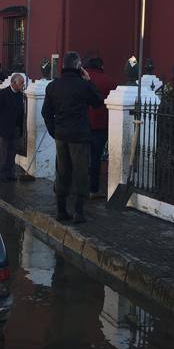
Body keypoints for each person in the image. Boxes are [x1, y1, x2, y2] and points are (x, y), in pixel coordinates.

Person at [42, 52, 103, 224]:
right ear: (78, 67)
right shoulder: (83, 86)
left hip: (61, 135)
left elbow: (46, 112)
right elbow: (98, 101)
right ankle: (78, 211)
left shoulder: (53, 86)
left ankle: (61, 210)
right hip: (79, 135)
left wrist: (53, 131)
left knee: (62, 171)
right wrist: (89, 80)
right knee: (81, 172)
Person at [84, 55, 118, 198]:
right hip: (101, 126)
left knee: (80, 157)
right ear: (101, 66)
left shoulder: (81, 80)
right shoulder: (109, 81)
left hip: (82, 124)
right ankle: (93, 190)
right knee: (96, 159)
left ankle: (78, 187)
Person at [0, 73, 26, 181]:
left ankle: (10, 173)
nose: (22, 85)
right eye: (21, 83)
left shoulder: (20, 95)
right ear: (14, 83)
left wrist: (20, 128)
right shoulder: (3, 94)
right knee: (2, 153)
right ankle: (0, 175)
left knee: (12, 152)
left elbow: (20, 112)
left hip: (15, 128)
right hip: (3, 128)